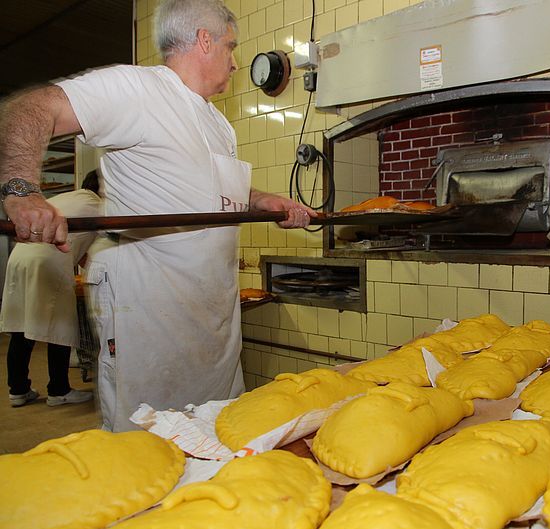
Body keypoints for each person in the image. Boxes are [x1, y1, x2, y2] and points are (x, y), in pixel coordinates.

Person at [0, 0, 316, 430]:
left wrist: (261, 201)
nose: (235, 61)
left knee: (215, 429)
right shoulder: (139, 89)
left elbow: (206, 191)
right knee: (145, 436)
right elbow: (28, 108)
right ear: (204, 40)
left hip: (212, 317)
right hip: (148, 309)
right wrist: (22, 192)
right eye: (231, 46)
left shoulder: (219, 124)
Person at [1, 171, 102, 407]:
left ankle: (18, 390)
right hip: (48, 260)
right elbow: (98, 251)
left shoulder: (68, 198)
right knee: (60, 325)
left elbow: (79, 245)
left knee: (22, 325)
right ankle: (59, 390)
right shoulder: (97, 204)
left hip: (21, 257)